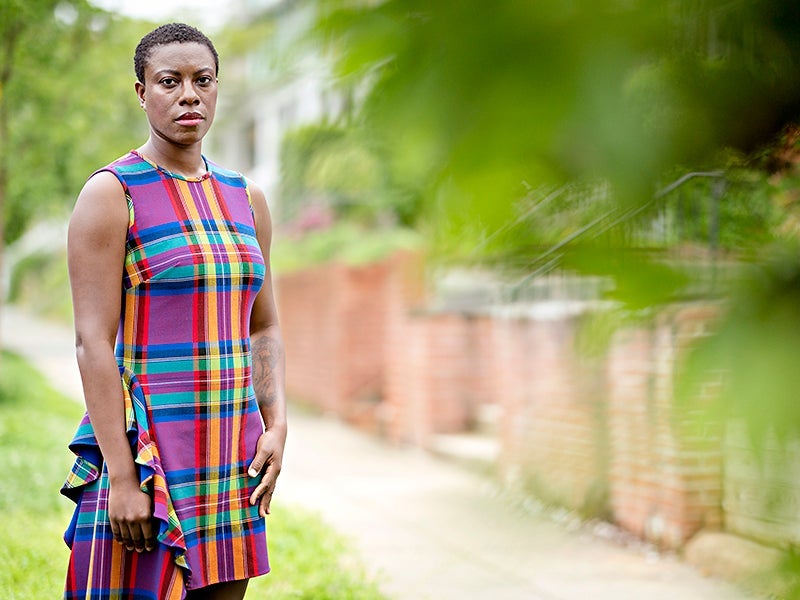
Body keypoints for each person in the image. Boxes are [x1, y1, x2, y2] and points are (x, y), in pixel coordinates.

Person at [60, 23, 287, 600]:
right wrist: (121, 475)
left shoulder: (247, 198)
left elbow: (263, 324)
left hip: (230, 449)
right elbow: (91, 341)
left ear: (216, 89)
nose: (189, 94)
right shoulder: (113, 194)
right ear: (142, 92)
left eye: (202, 80)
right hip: (148, 448)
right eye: (170, 81)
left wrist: (276, 422)